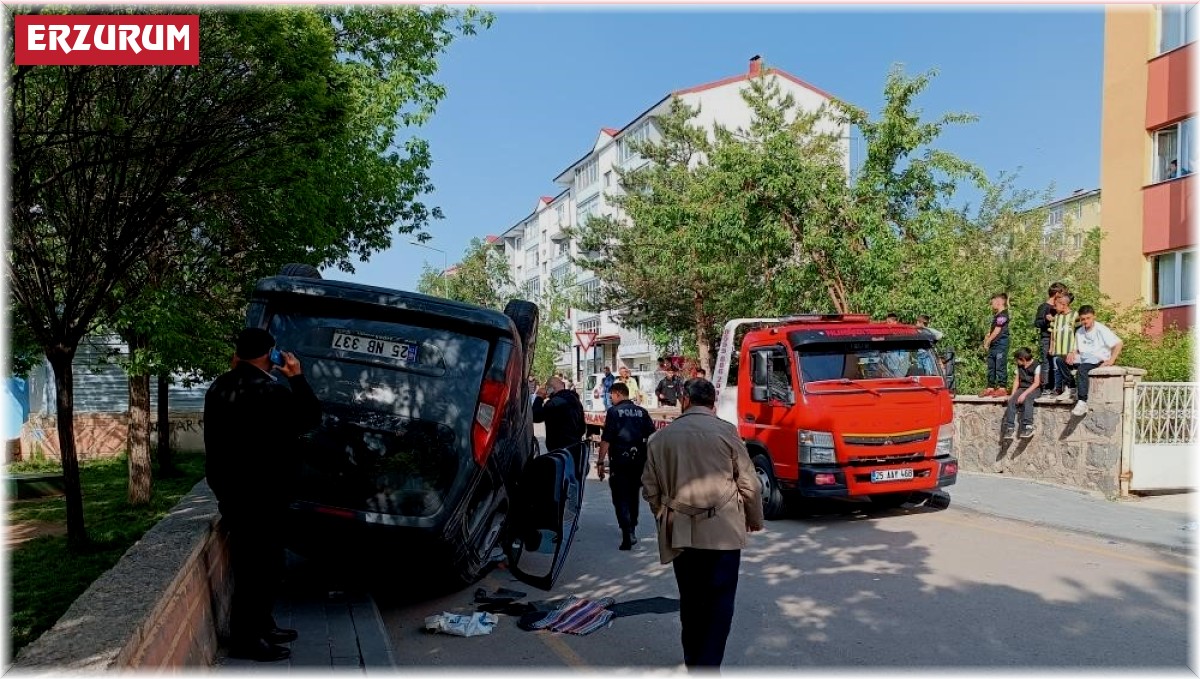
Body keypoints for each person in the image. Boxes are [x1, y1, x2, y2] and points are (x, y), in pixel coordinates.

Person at [204, 328, 322, 662]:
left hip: (234, 492)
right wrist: (296, 378)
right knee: (259, 568)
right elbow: (311, 418)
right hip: (263, 496)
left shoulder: (220, 387)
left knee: (261, 564)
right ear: (270, 354)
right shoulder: (271, 392)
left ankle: (262, 624)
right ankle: (247, 638)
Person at [641, 378, 764, 670]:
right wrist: (754, 518)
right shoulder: (726, 432)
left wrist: (665, 513)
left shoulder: (661, 438)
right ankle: (708, 666)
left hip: (679, 530)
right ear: (713, 404)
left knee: (691, 599)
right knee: (719, 603)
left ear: (684, 400)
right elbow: (750, 484)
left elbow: (649, 487)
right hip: (723, 531)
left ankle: (693, 660)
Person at [596, 382, 657, 550]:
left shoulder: (614, 412)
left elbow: (607, 438)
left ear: (617, 394)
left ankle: (626, 532)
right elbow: (652, 437)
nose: (611, 399)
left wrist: (600, 461)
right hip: (639, 461)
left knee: (620, 496)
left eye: (611, 396)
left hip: (620, 461)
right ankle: (632, 529)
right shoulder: (642, 412)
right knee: (632, 495)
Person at [1065, 306, 1123, 417]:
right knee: (1060, 361)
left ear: (1094, 317)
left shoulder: (1101, 329)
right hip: (1083, 357)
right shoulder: (1079, 331)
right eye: (1083, 319)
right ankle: (1071, 389)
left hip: (1097, 358)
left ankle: (1082, 401)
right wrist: (1072, 353)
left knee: (1082, 369)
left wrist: (1111, 360)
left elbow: (1119, 343)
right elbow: (1076, 349)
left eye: (1088, 318)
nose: (1085, 321)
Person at [1034, 283, 1067, 397]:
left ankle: (1058, 387)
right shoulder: (1044, 307)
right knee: (1047, 363)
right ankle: (1046, 387)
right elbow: (1037, 323)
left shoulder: (1059, 307)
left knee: (1058, 363)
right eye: (1063, 293)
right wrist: (1048, 320)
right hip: (1047, 339)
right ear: (1057, 293)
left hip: (1059, 339)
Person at [1001, 347, 1042, 440]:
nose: (1016, 362)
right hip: (1022, 388)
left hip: (1034, 388)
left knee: (1028, 399)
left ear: (1023, 359)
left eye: (1017, 360)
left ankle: (1028, 426)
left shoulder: (1037, 365)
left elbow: (1036, 383)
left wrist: (1024, 394)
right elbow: (1016, 381)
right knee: (1012, 401)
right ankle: (1010, 428)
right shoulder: (1019, 366)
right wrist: (1013, 394)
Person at [1050, 292, 1080, 402]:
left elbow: (1079, 333)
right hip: (1058, 350)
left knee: (1069, 371)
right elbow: (1053, 333)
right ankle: (1060, 390)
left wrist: (1074, 350)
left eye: (1056, 304)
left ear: (1064, 304)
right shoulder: (1057, 317)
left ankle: (1071, 389)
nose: (1054, 307)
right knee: (1057, 370)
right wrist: (1052, 347)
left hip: (1069, 351)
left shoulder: (1075, 316)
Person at [980, 292, 1011, 397]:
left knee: (1000, 365)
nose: (991, 305)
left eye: (992, 302)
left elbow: (997, 330)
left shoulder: (1003, 315)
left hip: (1000, 344)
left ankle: (1002, 388)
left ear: (999, 302)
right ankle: (990, 387)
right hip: (993, 345)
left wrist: (988, 342)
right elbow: (993, 330)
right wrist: (987, 337)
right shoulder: (996, 315)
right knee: (991, 365)